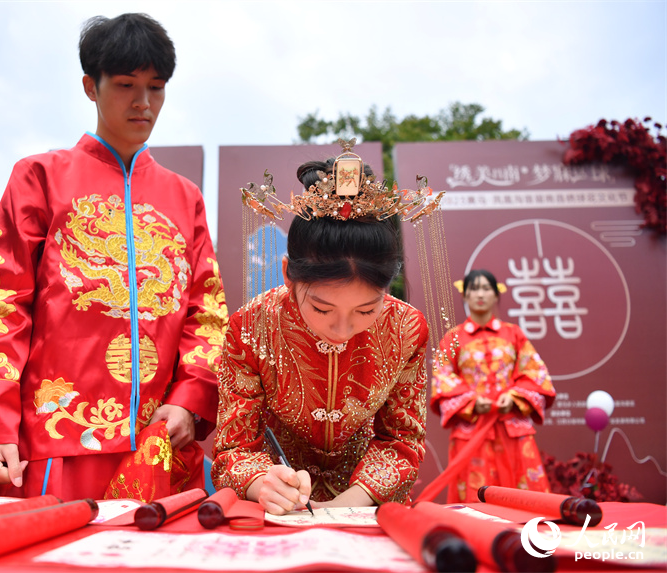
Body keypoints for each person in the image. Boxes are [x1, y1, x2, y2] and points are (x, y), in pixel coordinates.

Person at [0, 13, 227, 502]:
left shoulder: (184, 198)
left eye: (156, 87)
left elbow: (207, 314)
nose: (143, 102)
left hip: (157, 442)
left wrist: (189, 402)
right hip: (56, 439)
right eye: (125, 85)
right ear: (90, 87)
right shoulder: (39, 177)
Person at [212, 147, 437, 515]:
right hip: (277, 503)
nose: (342, 329)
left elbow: (401, 440)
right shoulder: (250, 327)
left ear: (388, 289)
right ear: (288, 275)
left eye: (367, 309)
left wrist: (349, 504)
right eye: (321, 308)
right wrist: (260, 482)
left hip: (367, 504)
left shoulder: (407, 329)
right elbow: (233, 448)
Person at [430, 269, 555, 503]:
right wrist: (472, 402)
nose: (480, 294)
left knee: (525, 497)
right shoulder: (452, 338)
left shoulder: (513, 333)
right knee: (474, 499)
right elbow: (443, 376)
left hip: (512, 427)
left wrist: (515, 397)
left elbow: (535, 372)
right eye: (474, 288)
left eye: (486, 288)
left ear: (496, 295)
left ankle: (525, 539)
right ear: (464, 296)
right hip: (472, 429)